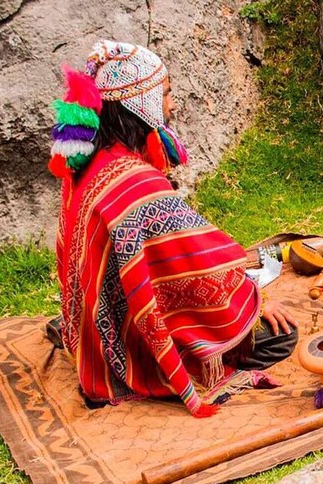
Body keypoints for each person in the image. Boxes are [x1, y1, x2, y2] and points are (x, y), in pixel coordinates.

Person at [49, 41, 298, 417]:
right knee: (282, 335)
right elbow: (195, 267)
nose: (173, 105)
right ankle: (169, 361)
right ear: (141, 104)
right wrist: (255, 301)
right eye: (165, 94)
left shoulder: (87, 164)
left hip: (92, 333)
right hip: (127, 352)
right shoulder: (137, 183)